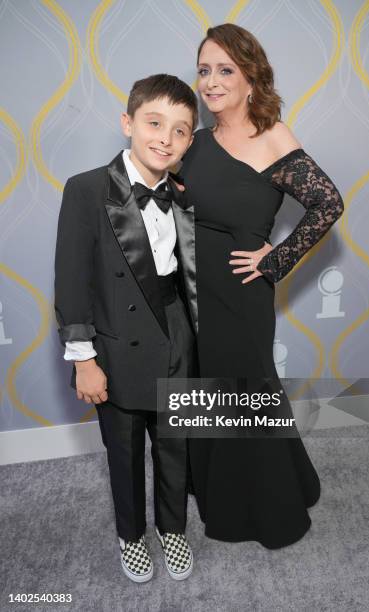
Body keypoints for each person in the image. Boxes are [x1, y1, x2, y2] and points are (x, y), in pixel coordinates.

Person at [179, 24, 345, 549]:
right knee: (204, 391)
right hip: (187, 292)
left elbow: (328, 203)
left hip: (238, 293)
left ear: (251, 78)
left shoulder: (272, 136)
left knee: (244, 394)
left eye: (225, 70)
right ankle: (218, 489)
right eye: (204, 70)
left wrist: (278, 258)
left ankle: (268, 512)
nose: (211, 81)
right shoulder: (195, 142)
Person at [54, 74, 198, 581]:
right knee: (124, 450)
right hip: (117, 346)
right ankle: (131, 536)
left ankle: (173, 528)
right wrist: (84, 361)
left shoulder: (185, 194)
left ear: (190, 140)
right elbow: (71, 283)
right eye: (154, 123)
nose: (165, 138)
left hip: (177, 335)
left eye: (180, 130)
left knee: (175, 445)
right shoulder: (88, 189)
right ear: (128, 123)